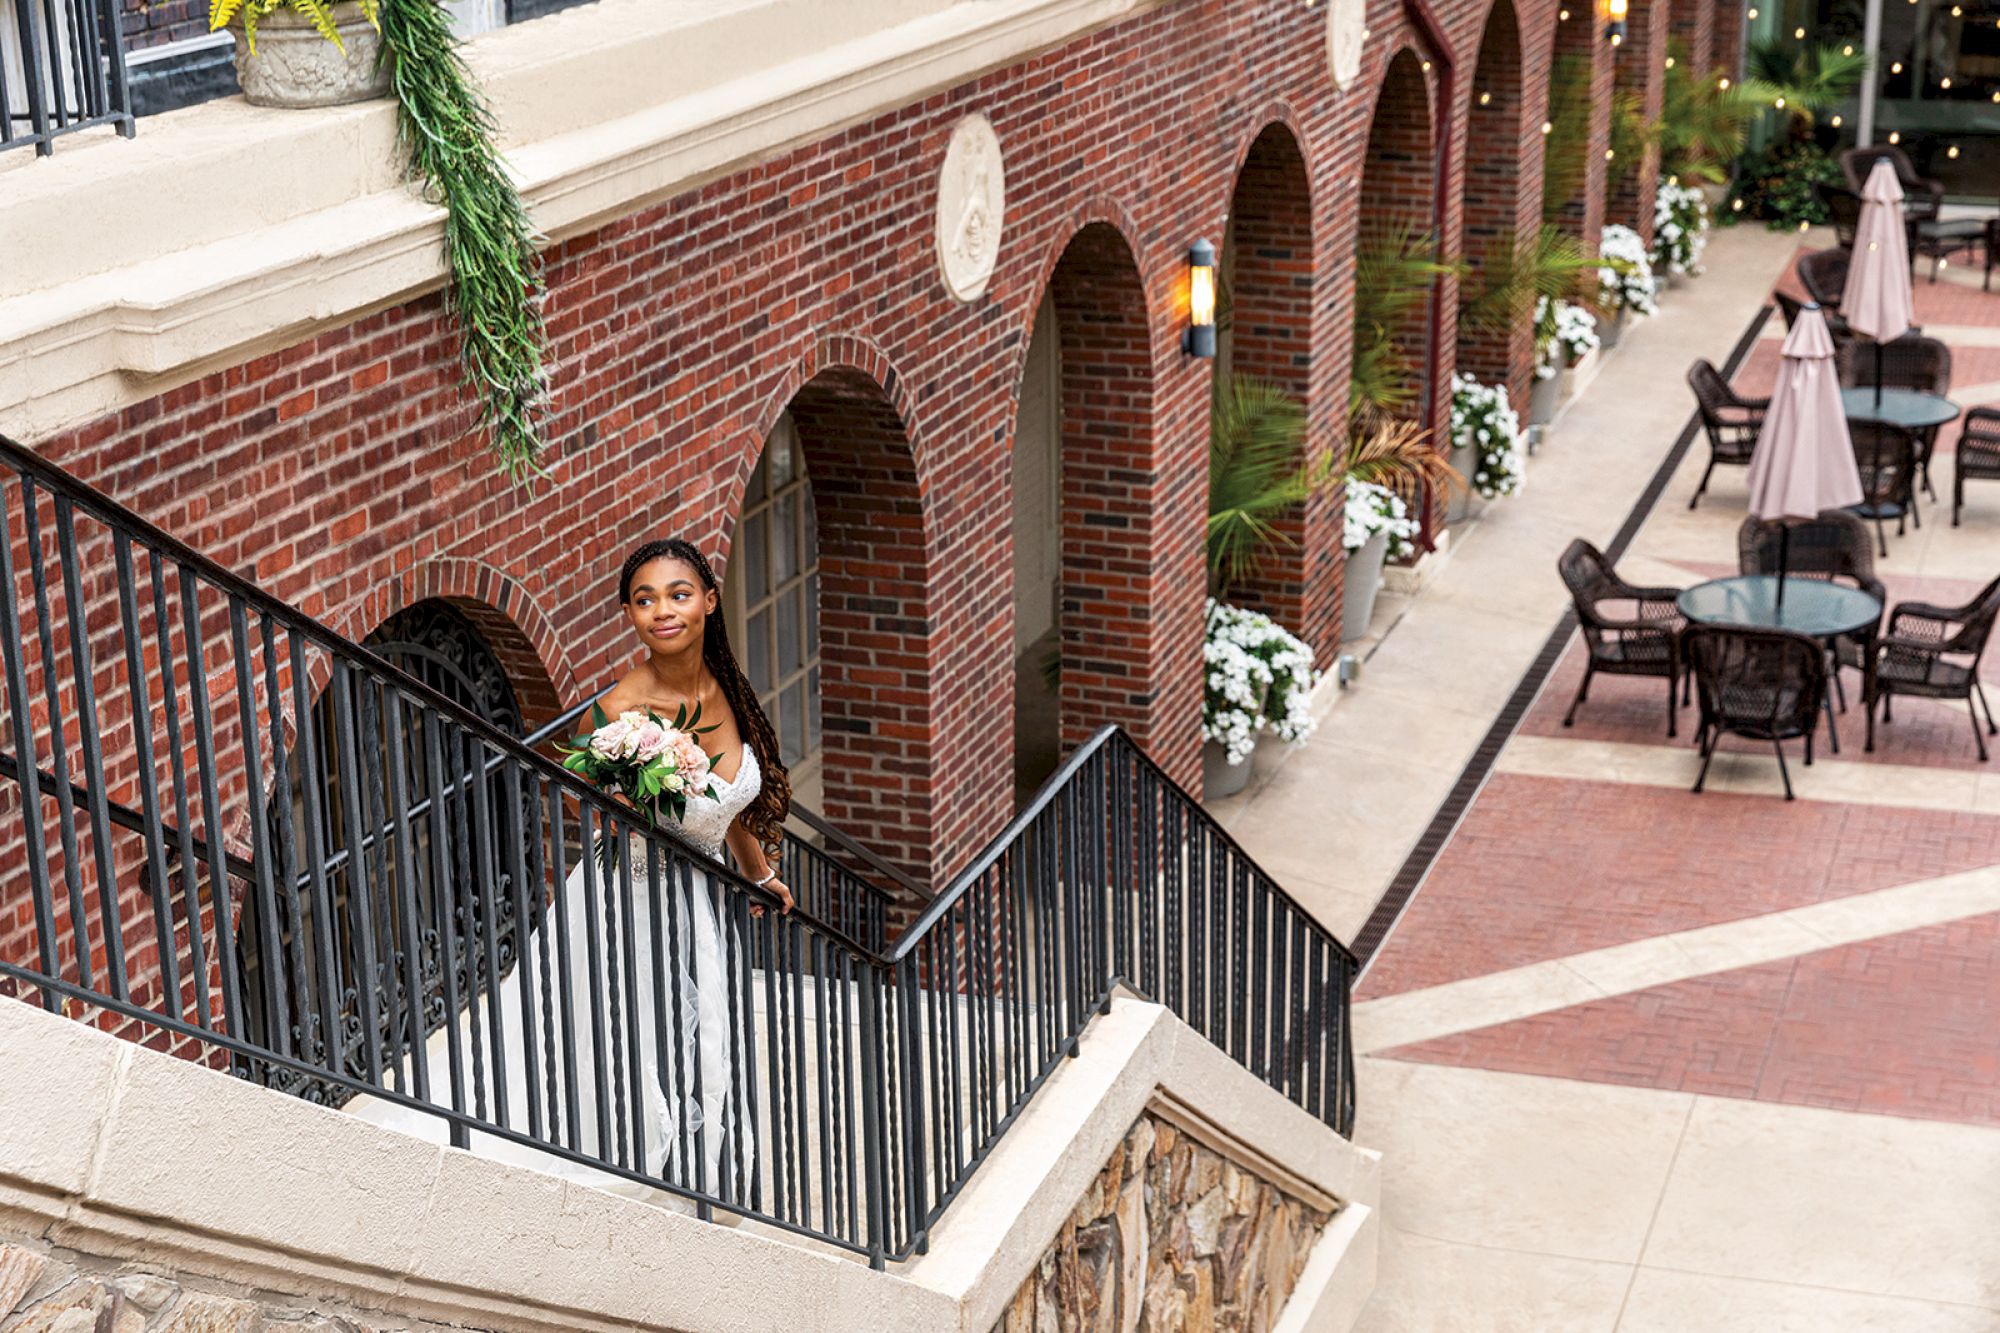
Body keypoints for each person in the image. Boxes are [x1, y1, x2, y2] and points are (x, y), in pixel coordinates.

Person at [349, 538, 792, 1216]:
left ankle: (707, 1162)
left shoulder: (722, 685)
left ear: (707, 600)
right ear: (629, 614)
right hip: (637, 893)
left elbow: (725, 805)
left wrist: (757, 873)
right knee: (644, 1032)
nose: (661, 611)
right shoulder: (621, 708)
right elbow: (599, 802)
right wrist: (633, 801)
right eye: (643, 600)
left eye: (677, 594)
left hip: (701, 891)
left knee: (705, 1020)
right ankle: (655, 1176)